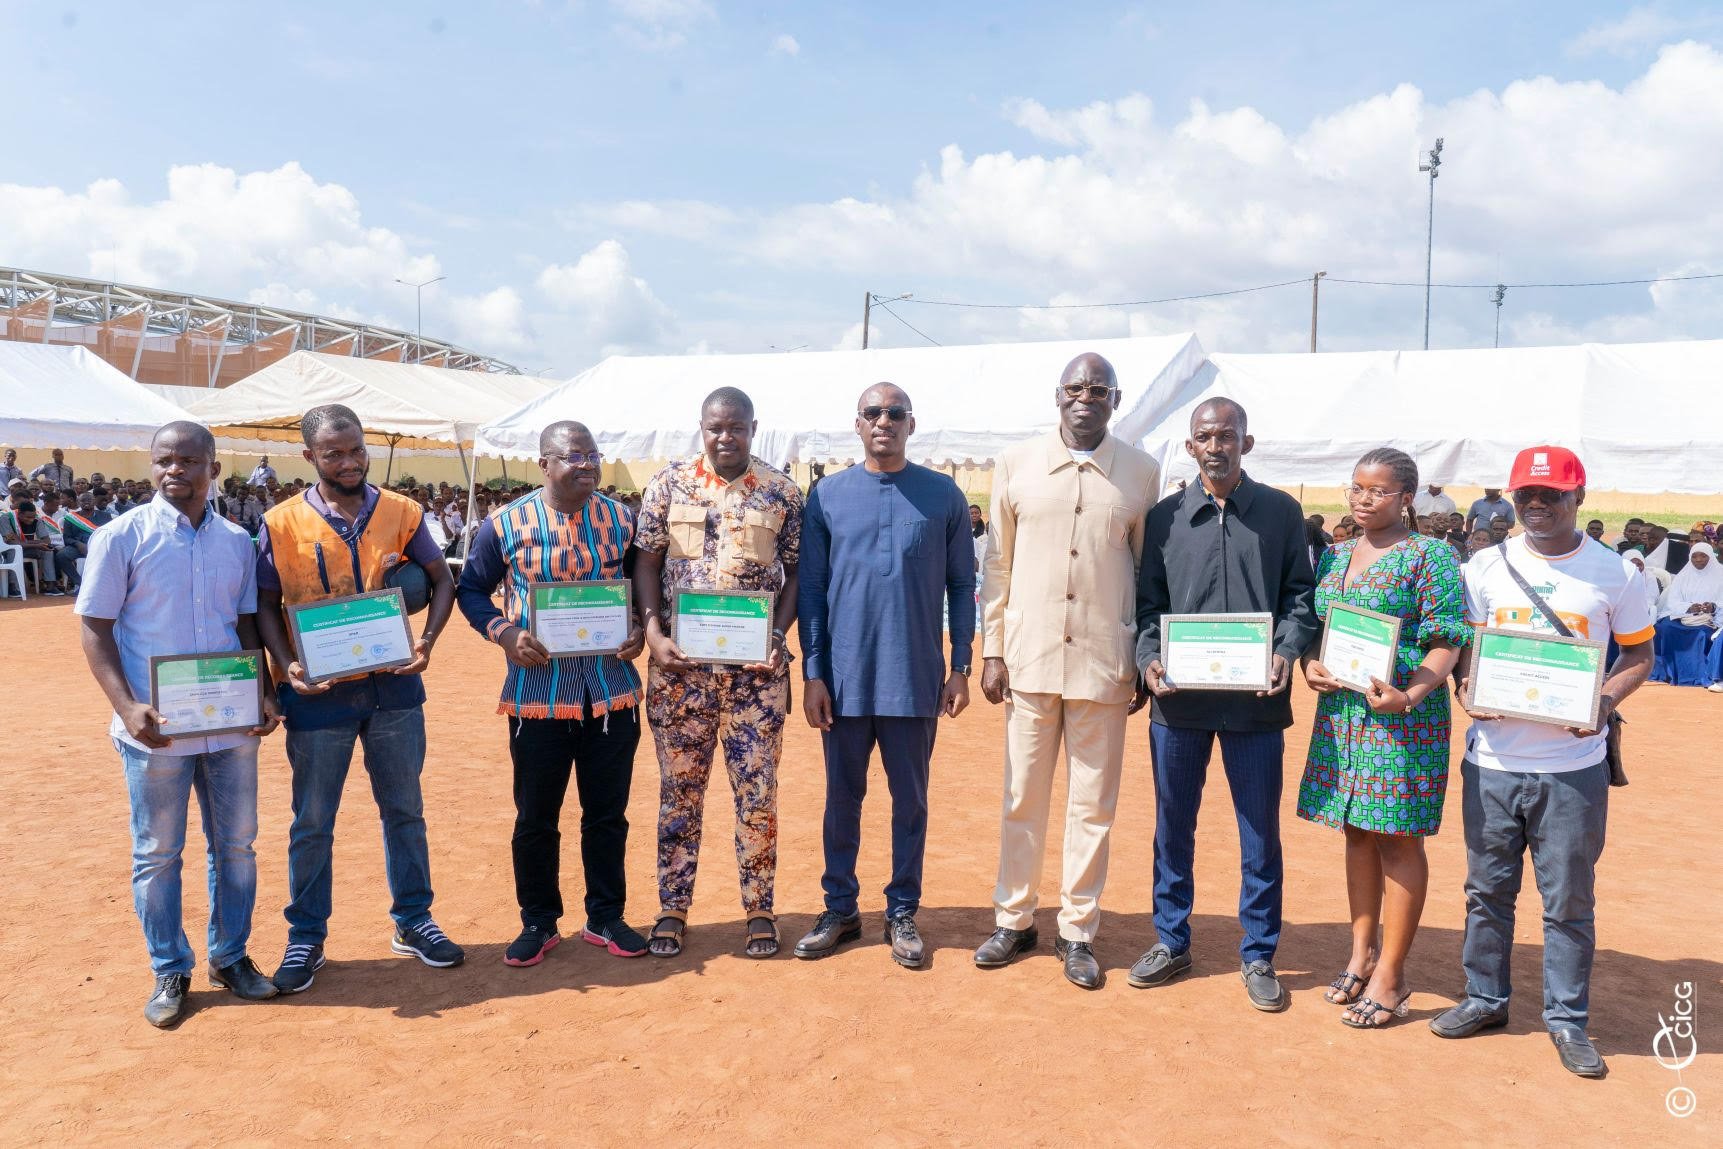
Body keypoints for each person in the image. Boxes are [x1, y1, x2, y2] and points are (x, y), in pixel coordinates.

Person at [1431, 445, 1654, 1080]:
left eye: (1550, 494)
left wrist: (1604, 702)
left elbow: (1639, 656)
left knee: (1568, 903)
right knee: (1486, 892)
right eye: (1525, 494)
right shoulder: (1484, 566)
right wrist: (1466, 685)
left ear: (1577, 498)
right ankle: (1485, 998)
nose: (1535, 505)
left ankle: (1566, 1020)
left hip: (1573, 768)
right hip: (1493, 764)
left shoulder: (1616, 575)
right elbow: (1466, 646)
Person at [74, 421, 283, 1027]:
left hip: (230, 727)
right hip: (156, 730)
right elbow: (95, 627)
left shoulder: (237, 543)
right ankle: (170, 967)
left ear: (213, 468)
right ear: (152, 466)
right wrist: (126, 707)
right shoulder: (121, 538)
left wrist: (264, 692)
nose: (175, 470)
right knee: (158, 853)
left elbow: (245, 624)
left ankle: (231, 956)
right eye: (165, 460)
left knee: (236, 849)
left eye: (189, 460)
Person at [253, 403, 463, 993]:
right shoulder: (281, 522)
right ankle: (306, 937)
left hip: (395, 688)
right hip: (318, 697)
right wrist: (288, 665)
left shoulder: (401, 511)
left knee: (404, 810)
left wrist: (427, 641)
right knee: (313, 821)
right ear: (309, 457)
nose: (348, 462)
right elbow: (265, 604)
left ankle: (414, 920)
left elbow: (440, 578)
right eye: (333, 453)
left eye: (355, 449)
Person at [973, 353, 1159, 989]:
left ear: (1115, 398)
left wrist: (1139, 657)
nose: (1087, 397)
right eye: (1076, 387)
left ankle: (1077, 930)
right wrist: (991, 649)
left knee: (1092, 806)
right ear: (1058, 395)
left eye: (1099, 389)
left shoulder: (1140, 472)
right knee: (1021, 796)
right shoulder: (1015, 464)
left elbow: (1146, 573)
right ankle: (1014, 917)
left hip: (1103, 664)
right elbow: (996, 564)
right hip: (1028, 660)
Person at [1131, 397, 1319, 1011]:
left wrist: (1286, 652)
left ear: (1247, 442)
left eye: (1228, 436)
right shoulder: (1163, 519)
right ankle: (1170, 938)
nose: (1217, 446)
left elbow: (1300, 597)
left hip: (1255, 705)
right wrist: (1148, 658)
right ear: (1190, 447)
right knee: (1172, 826)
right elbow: (1146, 608)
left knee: (1259, 830)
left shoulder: (1280, 513)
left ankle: (1260, 951)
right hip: (1179, 705)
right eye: (1205, 437)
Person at [457, 421, 651, 966]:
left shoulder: (621, 520)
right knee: (536, 817)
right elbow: (471, 589)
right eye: (574, 457)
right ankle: (538, 921)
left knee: (607, 815)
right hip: (536, 695)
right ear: (544, 462)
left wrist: (638, 626)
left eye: (594, 455)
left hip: (609, 693)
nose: (587, 465)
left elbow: (642, 584)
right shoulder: (506, 524)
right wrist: (504, 633)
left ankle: (606, 916)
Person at [794, 383, 974, 968]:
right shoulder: (826, 497)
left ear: (911, 424)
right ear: (858, 423)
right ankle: (840, 908)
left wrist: (961, 665)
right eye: (873, 413)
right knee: (841, 799)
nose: (884, 422)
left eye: (895, 413)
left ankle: (902, 909)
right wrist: (814, 672)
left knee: (910, 802)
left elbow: (962, 587)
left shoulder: (942, 495)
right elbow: (813, 592)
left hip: (915, 678)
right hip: (844, 680)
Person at [1298, 449, 1468, 1027]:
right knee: (1355, 832)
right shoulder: (1336, 554)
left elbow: (1448, 640)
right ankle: (1360, 953)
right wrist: (1313, 667)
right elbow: (1326, 631)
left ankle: (1392, 975)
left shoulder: (1430, 558)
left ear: (1406, 499)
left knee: (1397, 839)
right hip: (1344, 716)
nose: (1363, 500)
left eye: (1378, 491)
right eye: (1356, 489)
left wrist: (1411, 695)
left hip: (1403, 720)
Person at [633, 388, 803, 960]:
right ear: (701, 427)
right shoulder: (668, 485)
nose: (725, 437)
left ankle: (758, 909)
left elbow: (799, 573)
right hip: (681, 674)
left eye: (736, 428)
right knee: (680, 792)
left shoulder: (781, 492)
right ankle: (672, 908)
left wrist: (778, 637)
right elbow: (647, 562)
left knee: (757, 794)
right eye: (715, 427)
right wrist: (653, 633)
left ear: (754, 428)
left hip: (756, 678)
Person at [1, 499, 65, 595]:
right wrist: (37, 544)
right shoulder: (6, 519)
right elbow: (12, 543)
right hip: (8, 551)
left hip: (27, 548)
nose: (31, 520)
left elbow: (47, 541)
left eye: (33, 516)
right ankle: (13, 586)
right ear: (20, 514)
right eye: (28, 517)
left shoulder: (37, 519)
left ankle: (50, 585)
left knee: (48, 550)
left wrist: (32, 543)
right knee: (14, 551)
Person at [1662, 543, 1721, 620]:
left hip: (1711, 618)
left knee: (1701, 631)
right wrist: (1689, 608)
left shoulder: (1720, 575)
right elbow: (1672, 601)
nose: (1698, 560)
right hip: (1684, 616)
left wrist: (1713, 607)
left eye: (1703, 556)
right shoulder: (1682, 576)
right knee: (1666, 627)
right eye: (1694, 556)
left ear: (1711, 557)